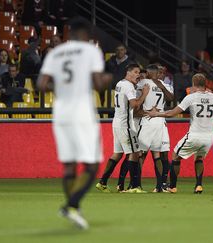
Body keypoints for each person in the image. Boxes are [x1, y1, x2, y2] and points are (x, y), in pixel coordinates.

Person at [37, 17, 110, 230]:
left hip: (60, 112)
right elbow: (98, 84)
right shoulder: (90, 51)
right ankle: (71, 204)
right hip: (82, 111)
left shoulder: (55, 52)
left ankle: (74, 212)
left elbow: (41, 85)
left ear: (70, 33)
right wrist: (106, 80)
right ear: (87, 34)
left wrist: (61, 88)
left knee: (69, 165)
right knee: (92, 164)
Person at [147, 73, 213, 193]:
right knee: (199, 158)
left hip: (194, 135)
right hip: (209, 136)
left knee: (175, 156)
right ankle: (198, 185)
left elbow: (171, 113)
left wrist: (156, 114)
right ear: (205, 84)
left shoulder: (191, 97)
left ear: (193, 84)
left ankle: (172, 186)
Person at [95, 64, 149, 193]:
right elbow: (134, 105)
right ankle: (134, 186)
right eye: (135, 72)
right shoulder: (128, 86)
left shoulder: (120, 83)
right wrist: (144, 94)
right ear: (128, 72)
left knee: (118, 153)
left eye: (139, 72)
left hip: (117, 122)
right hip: (126, 124)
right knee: (134, 152)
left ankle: (102, 182)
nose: (138, 74)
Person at [135, 64, 174, 192]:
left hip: (155, 121)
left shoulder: (158, 84)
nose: (160, 74)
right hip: (153, 121)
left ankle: (157, 185)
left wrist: (161, 86)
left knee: (153, 153)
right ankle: (142, 184)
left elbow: (171, 99)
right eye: (158, 72)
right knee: (150, 154)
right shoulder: (152, 83)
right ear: (154, 73)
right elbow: (171, 99)